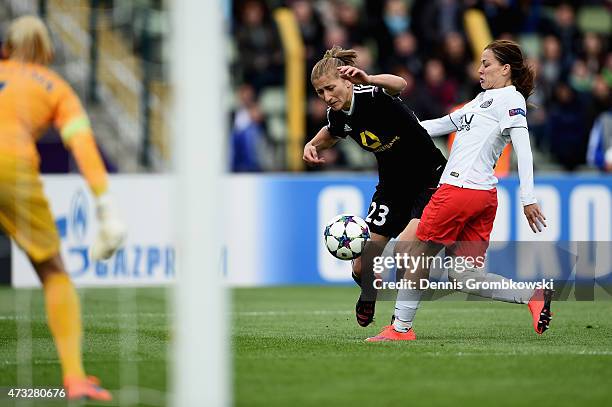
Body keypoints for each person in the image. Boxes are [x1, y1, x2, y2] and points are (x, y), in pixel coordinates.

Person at [366, 40, 552, 342]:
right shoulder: (482, 101)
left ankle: (400, 327)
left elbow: (524, 149)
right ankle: (532, 295)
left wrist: (528, 198)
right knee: (463, 276)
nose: (480, 69)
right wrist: (393, 128)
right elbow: (439, 124)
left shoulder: (510, 99)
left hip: (458, 190)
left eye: (487, 64)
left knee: (411, 252)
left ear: (505, 69)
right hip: (481, 198)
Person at [0, 16, 126, 399]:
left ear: (5, 48)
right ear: (49, 52)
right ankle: (73, 378)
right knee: (54, 271)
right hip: (11, 169)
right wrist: (105, 207)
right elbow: (83, 147)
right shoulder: (55, 86)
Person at [303, 45, 447, 327]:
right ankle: (369, 292)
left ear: (347, 80)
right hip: (392, 187)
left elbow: (401, 84)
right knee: (360, 264)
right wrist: (312, 143)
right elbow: (332, 132)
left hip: (429, 180)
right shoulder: (338, 115)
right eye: (320, 93)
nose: (326, 97)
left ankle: (400, 320)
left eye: (330, 88)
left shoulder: (371, 94)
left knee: (407, 247)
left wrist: (369, 79)